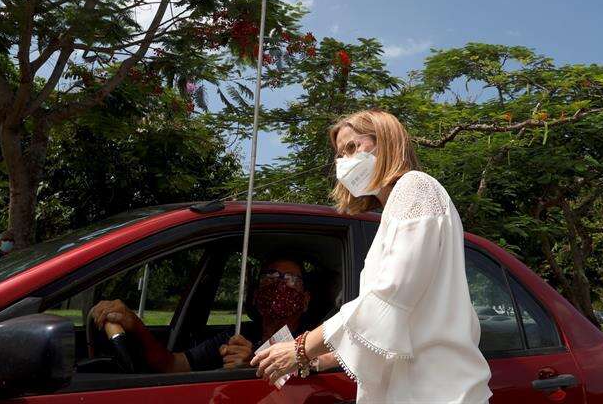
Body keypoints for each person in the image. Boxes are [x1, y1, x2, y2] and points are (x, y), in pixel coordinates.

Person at [252, 109, 492, 403]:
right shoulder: (392, 211)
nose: (345, 162)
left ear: (386, 141)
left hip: (437, 390)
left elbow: (388, 297)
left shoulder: (415, 187)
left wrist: (300, 348)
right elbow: (386, 332)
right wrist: (314, 361)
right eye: (340, 155)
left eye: (353, 147)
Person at [90, 256, 335, 373]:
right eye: (270, 277)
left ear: (305, 300)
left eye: (290, 280)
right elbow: (172, 365)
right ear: (255, 293)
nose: (279, 286)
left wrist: (250, 368)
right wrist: (135, 325)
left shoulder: (315, 337)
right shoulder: (238, 334)